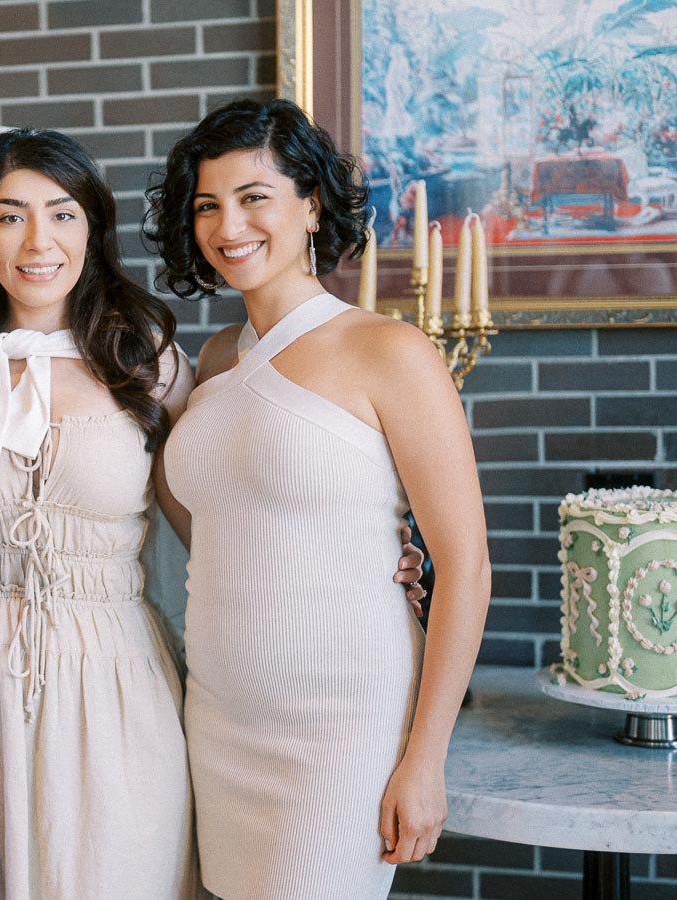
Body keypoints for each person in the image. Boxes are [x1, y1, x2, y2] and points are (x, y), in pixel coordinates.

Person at [0, 128, 427, 899]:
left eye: (62, 213)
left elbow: (222, 510)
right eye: (10, 216)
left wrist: (370, 555)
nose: (38, 239)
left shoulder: (146, 360)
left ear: (92, 229)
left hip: (114, 672)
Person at [147, 98, 490, 900]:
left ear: (311, 206)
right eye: (208, 205)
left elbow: (466, 565)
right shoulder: (217, 358)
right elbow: (215, 521)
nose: (228, 225)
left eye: (254, 196)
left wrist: (425, 757)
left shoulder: (388, 351)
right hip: (221, 710)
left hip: (341, 724)